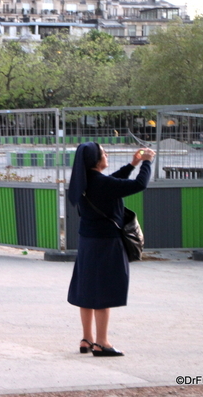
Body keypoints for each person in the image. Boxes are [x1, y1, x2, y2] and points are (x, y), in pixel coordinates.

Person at [67, 142, 154, 357]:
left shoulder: (84, 182)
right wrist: (147, 162)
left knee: (87, 291)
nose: (107, 155)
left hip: (87, 242)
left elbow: (112, 182)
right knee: (103, 292)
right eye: (104, 153)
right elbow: (139, 185)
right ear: (96, 160)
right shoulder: (101, 183)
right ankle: (102, 343)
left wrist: (132, 164)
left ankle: (87, 339)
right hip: (106, 243)